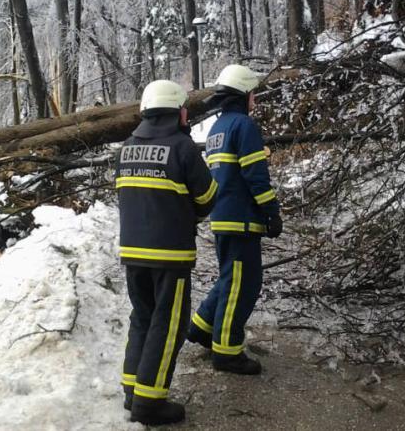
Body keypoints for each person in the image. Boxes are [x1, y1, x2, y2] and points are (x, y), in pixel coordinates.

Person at [116, 79, 217, 425]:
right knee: (168, 324)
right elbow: (207, 198)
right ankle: (150, 401)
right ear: (179, 113)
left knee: (142, 317)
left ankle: (133, 391)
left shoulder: (127, 147)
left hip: (132, 253)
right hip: (169, 256)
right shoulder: (183, 148)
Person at [186, 64, 282, 375]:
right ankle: (227, 350)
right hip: (242, 218)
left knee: (230, 278)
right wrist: (271, 212)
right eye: (253, 93)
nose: (255, 100)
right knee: (244, 285)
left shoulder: (217, 130)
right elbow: (255, 174)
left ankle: (201, 327)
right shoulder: (244, 126)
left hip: (223, 216)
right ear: (243, 95)